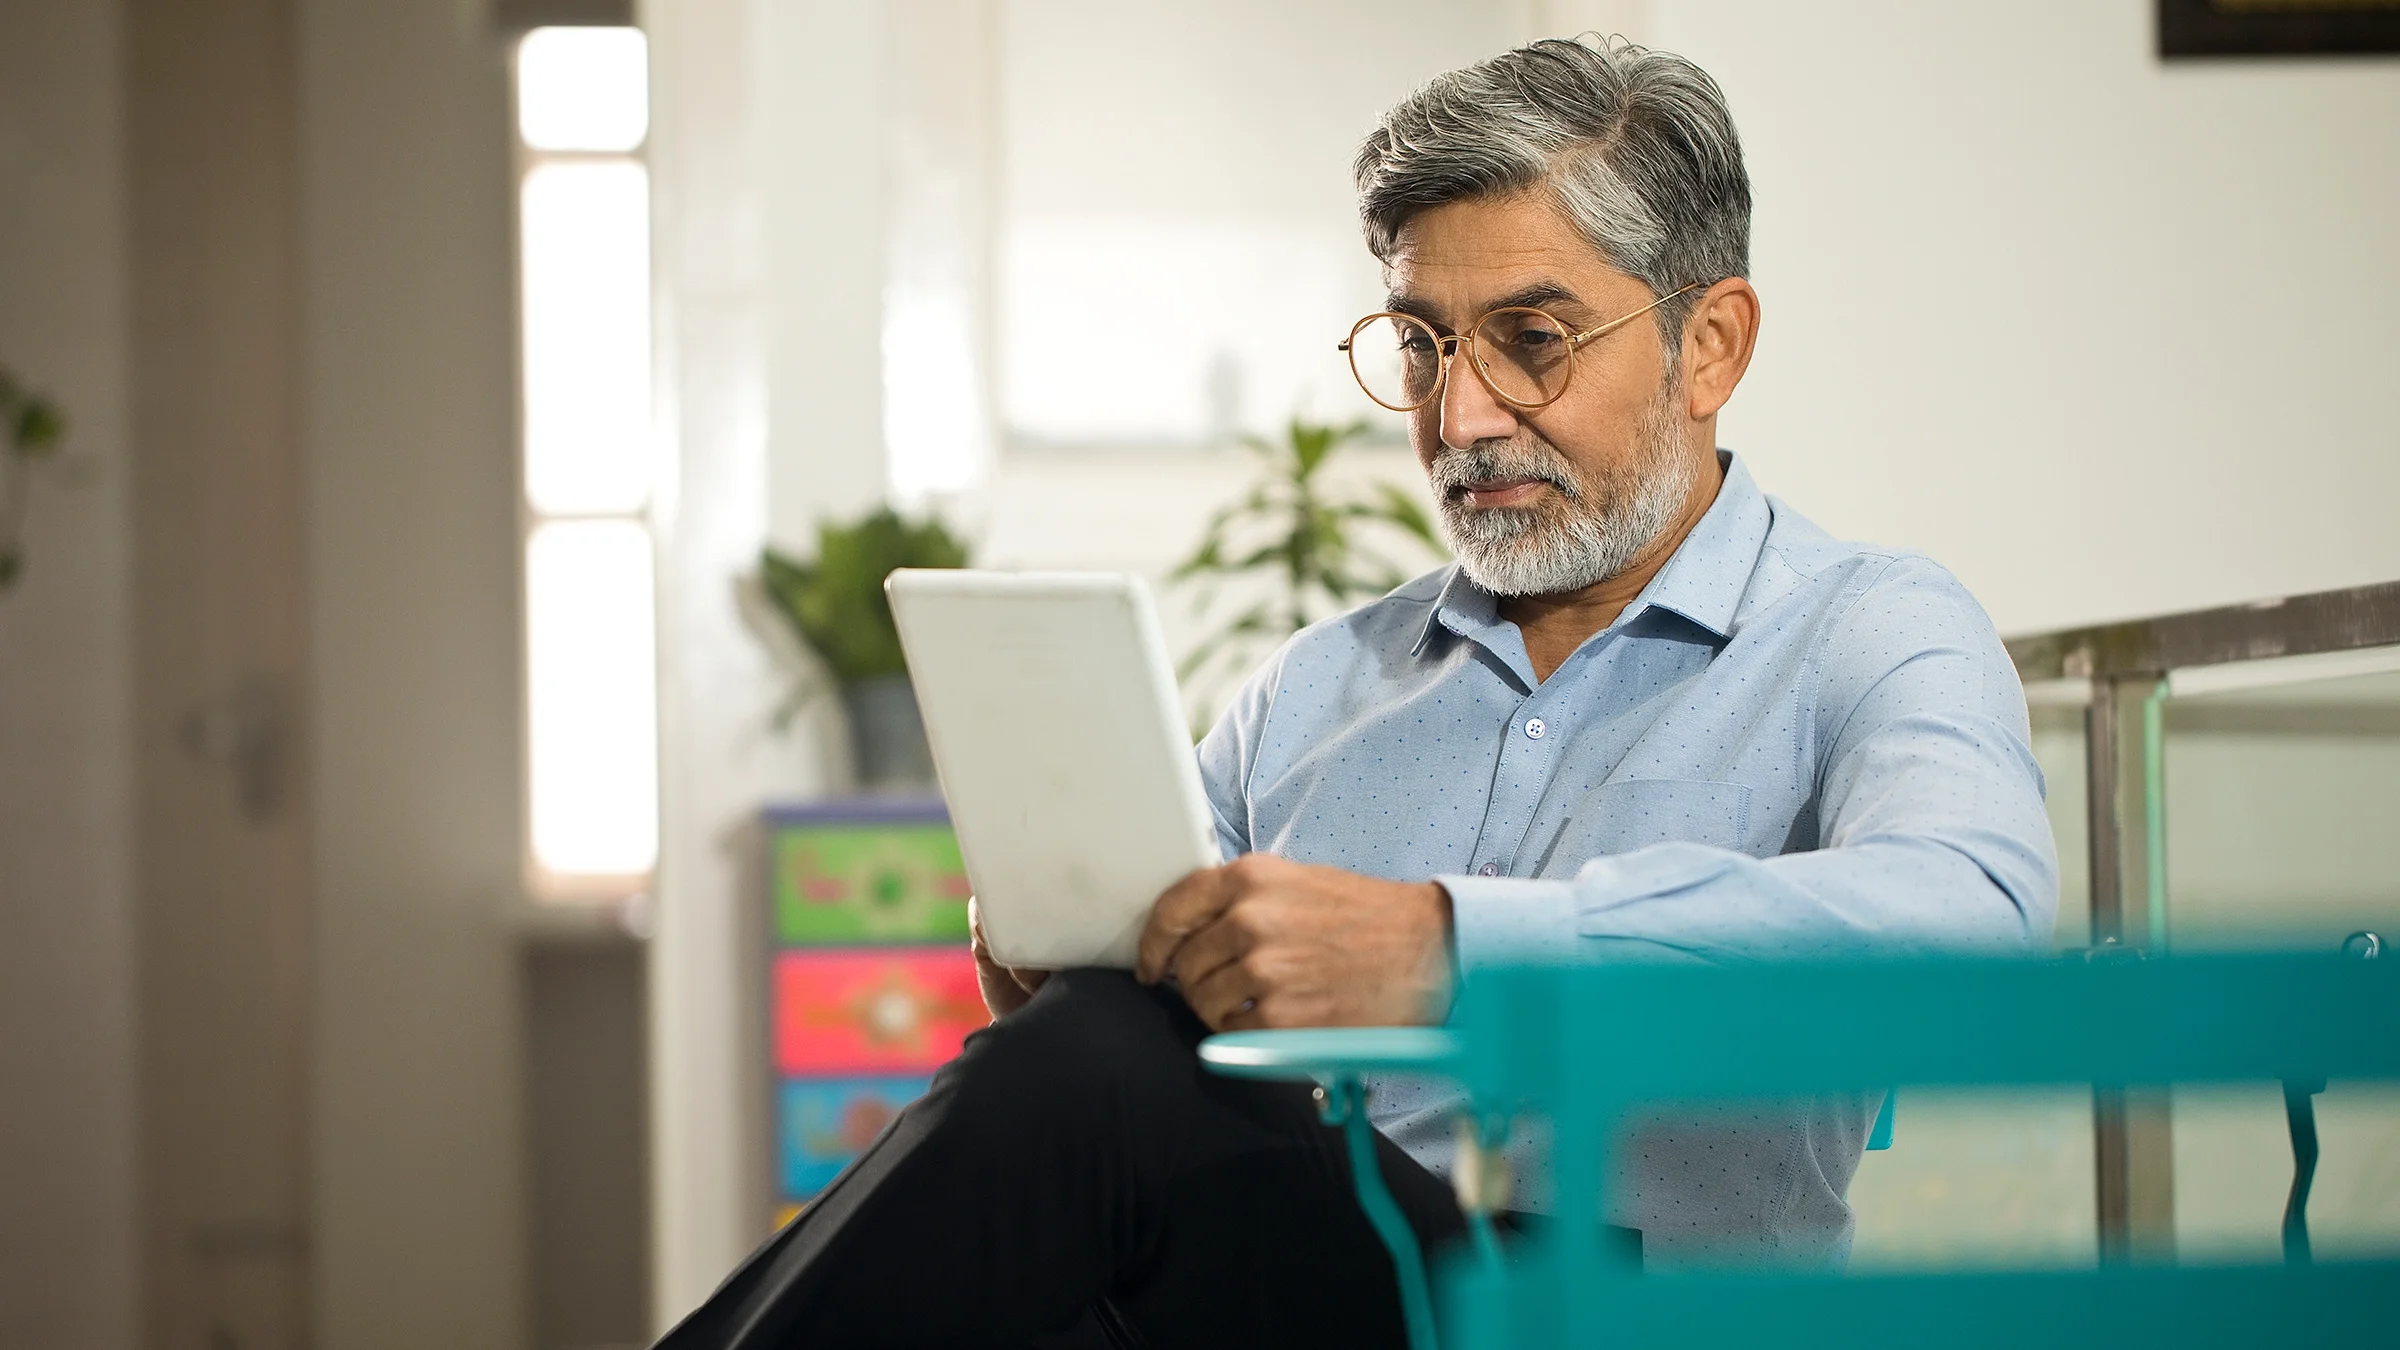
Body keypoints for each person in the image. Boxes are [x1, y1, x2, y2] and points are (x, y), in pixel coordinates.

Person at [658, 33, 2057, 1350]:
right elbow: (1138, 1075)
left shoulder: (1869, 624)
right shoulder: (1318, 684)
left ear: (1712, 346)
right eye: (1423, 345)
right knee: (1082, 1100)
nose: (1461, 417)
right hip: (1296, 1294)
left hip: (1631, 1310)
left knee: (1101, 1083)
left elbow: (1976, 926)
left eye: (1534, 338)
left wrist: (1446, 954)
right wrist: (1063, 977)